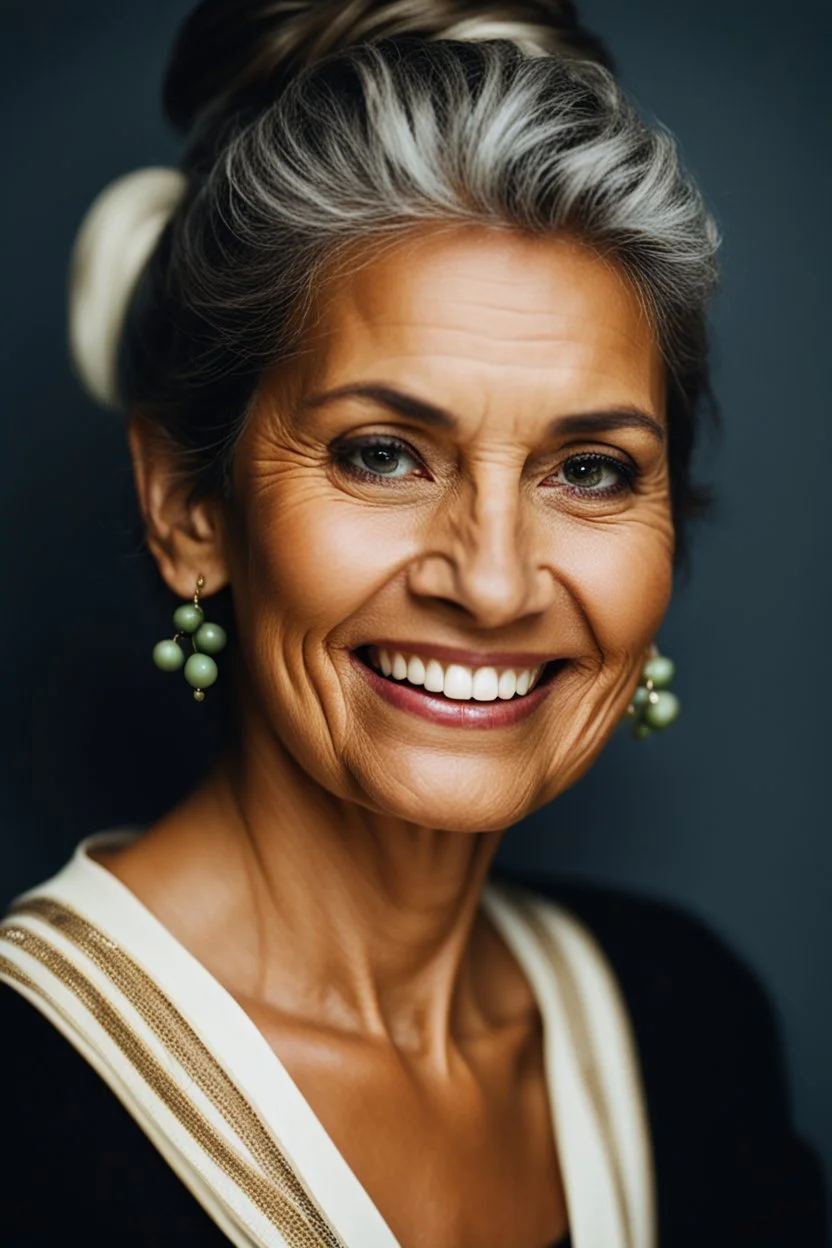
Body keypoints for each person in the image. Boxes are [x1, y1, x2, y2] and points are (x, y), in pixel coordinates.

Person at [0, 2, 827, 1245]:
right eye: (382, 454)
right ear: (188, 509)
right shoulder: (22, 1111)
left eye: (591, 470)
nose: (493, 584)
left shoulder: (692, 1029)